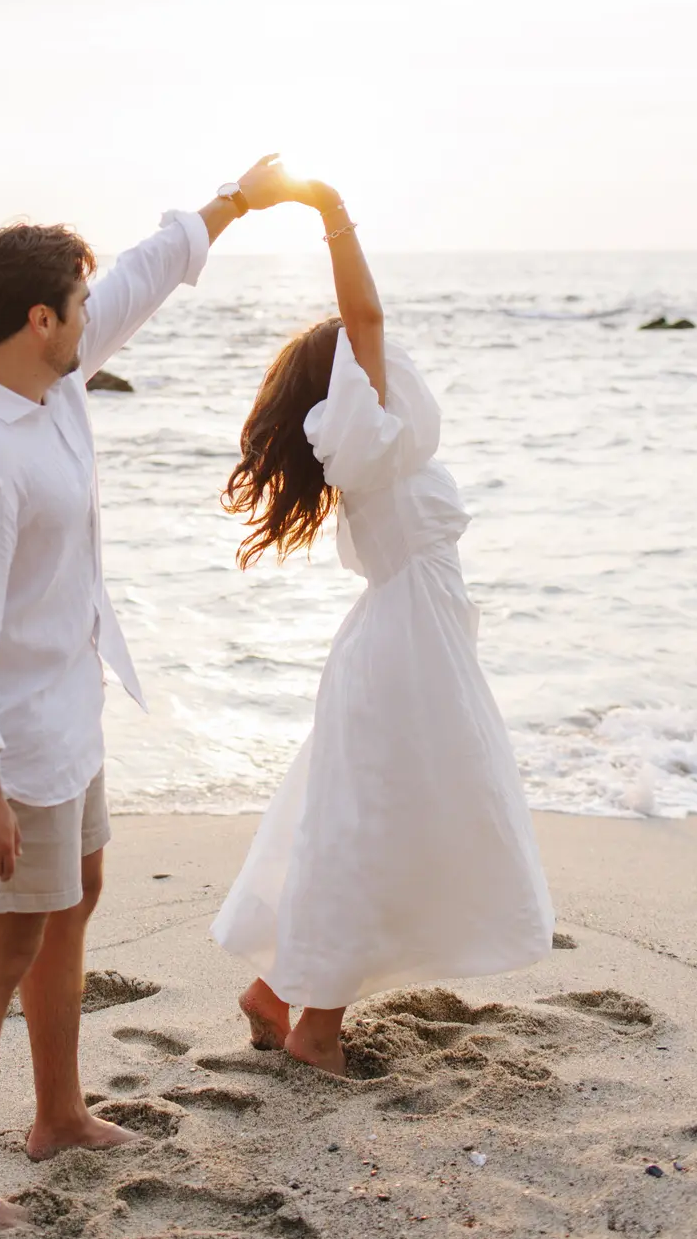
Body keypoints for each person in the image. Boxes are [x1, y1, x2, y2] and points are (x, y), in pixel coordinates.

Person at [0, 156, 293, 1231]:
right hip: (7, 747)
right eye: (75, 301)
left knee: (74, 901)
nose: (91, 311)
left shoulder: (49, 380)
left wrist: (236, 200)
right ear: (39, 318)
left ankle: (59, 1114)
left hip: (68, 710)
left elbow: (141, 277)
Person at [211, 174, 553, 1074]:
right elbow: (367, 312)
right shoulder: (366, 430)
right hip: (405, 648)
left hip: (412, 640)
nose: (386, 356)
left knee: (365, 821)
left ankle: (276, 993)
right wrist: (331, 213)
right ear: (351, 377)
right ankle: (314, 1027)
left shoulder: (372, 440)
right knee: (377, 830)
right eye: (366, 357)